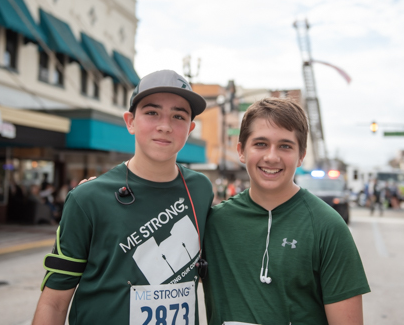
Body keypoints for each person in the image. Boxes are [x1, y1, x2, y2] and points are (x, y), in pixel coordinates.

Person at [32, 70, 213, 325]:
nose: (165, 125)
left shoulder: (201, 189)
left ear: (190, 128)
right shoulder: (88, 198)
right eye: (152, 113)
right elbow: (53, 303)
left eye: (178, 116)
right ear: (130, 121)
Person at [202, 98, 370, 324]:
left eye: (285, 146)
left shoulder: (328, 227)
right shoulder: (213, 223)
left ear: (301, 155)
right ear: (241, 151)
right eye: (260, 144)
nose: (271, 157)